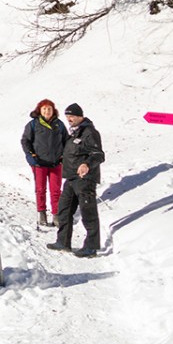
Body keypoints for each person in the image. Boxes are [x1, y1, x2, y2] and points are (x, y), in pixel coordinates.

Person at [48, 103, 104, 257]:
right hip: (72, 178)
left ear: (80, 116)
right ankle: (63, 242)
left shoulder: (89, 132)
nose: (69, 119)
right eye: (67, 116)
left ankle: (91, 247)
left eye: (72, 116)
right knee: (64, 210)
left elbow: (98, 154)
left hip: (84, 179)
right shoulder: (75, 132)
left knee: (88, 211)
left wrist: (87, 164)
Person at [20, 99, 67, 227]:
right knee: (40, 189)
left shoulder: (60, 125)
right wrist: (31, 155)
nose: (47, 111)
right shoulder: (33, 124)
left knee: (56, 190)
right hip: (39, 163)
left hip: (56, 163)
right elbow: (25, 141)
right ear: (39, 110)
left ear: (53, 110)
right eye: (44, 109)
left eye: (49, 109)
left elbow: (66, 141)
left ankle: (56, 215)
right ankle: (42, 213)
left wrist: (64, 156)